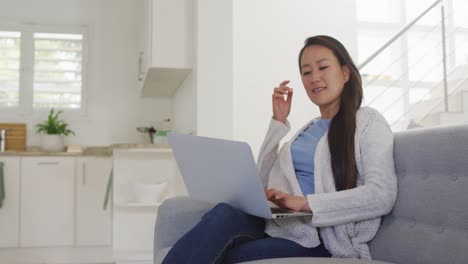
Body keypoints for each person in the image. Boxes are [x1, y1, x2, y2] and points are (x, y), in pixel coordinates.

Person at [161, 35, 397, 264]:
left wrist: (304, 203)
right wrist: (278, 122)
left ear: (345, 73)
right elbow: (260, 181)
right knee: (223, 213)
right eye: (306, 72)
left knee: (218, 253)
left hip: (316, 239)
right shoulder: (307, 130)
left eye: (323, 67)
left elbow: (381, 195)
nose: (314, 77)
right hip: (278, 224)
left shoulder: (367, 122)